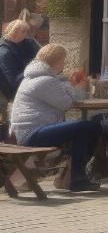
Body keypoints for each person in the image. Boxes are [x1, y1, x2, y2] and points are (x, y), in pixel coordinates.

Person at [10, 43, 102, 192]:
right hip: (33, 133)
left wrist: (70, 85)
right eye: (63, 60)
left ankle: (73, 177)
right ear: (56, 60)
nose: (64, 64)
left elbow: (62, 88)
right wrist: (78, 87)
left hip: (30, 130)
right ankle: (76, 178)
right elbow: (65, 103)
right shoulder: (45, 80)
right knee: (88, 127)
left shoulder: (36, 77)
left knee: (84, 128)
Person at [0, 19, 40, 101]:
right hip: (16, 90)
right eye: (24, 31)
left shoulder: (28, 41)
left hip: (30, 79)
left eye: (27, 31)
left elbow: (43, 56)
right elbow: (13, 82)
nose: (27, 34)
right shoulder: (4, 52)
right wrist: (33, 65)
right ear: (14, 31)